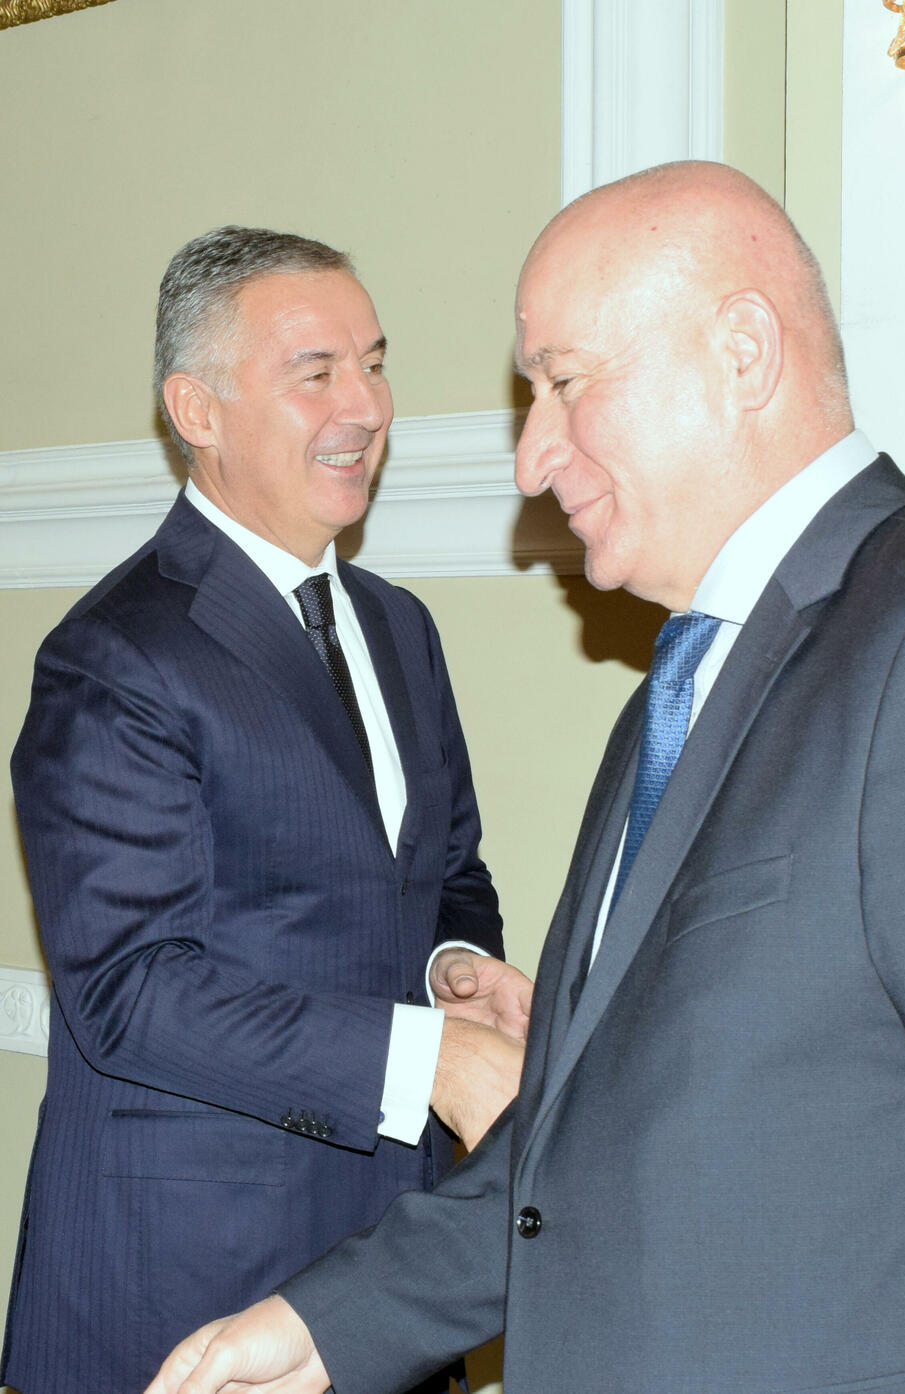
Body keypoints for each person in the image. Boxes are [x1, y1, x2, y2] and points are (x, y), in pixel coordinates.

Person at [148, 162, 905, 1394]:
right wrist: (325, 1325)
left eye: (563, 382)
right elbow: (573, 1145)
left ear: (742, 352)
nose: (530, 457)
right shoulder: (676, 688)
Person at [2, 226, 530, 1394]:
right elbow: (130, 991)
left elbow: (447, 872)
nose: (366, 406)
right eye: (316, 372)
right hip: (184, 1292)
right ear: (197, 409)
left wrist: (451, 965)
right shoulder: (113, 656)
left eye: (374, 364)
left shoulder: (399, 627)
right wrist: (430, 1058)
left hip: (390, 1279)